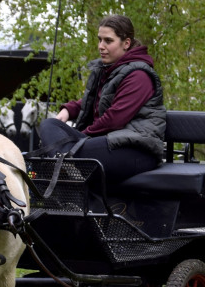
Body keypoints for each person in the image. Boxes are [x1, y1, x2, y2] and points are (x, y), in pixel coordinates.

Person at [39, 15, 166, 184]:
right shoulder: (109, 69)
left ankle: (67, 168)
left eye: (108, 41)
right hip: (108, 143)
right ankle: (67, 167)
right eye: (99, 40)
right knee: (49, 125)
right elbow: (91, 101)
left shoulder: (139, 76)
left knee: (67, 151)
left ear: (126, 43)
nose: (101, 46)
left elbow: (115, 119)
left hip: (136, 149)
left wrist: (80, 137)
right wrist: (67, 110)